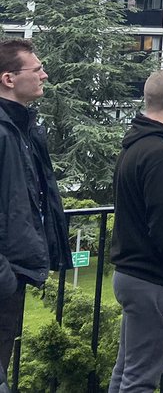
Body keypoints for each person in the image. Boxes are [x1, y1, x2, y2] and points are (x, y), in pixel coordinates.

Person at [108, 69, 163, 393]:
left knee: (126, 374)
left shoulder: (134, 146)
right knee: (141, 380)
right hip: (154, 279)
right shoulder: (160, 153)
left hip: (131, 273)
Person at [0, 39, 70, 393]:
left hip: (14, 274)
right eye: (36, 69)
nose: (44, 74)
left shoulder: (24, 130)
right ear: (9, 79)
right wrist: (5, 276)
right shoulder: (5, 132)